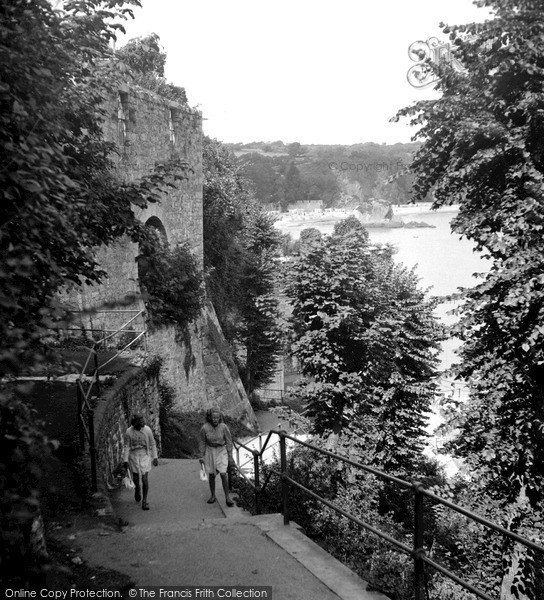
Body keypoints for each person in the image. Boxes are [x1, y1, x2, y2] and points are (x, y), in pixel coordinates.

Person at [199, 407, 234, 507]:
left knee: (223, 473)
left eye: (217, 417)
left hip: (221, 450)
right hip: (210, 450)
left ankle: (227, 497)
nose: (215, 420)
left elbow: (229, 441)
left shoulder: (223, 427)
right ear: (210, 418)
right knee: (211, 475)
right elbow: (202, 442)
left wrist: (230, 455)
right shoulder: (205, 428)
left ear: (220, 418)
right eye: (213, 417)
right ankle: (213, 495)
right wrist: (201, 455)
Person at [123, 414, 158, 510]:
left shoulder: (147, 430)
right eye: (137, 425)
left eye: (141, 425)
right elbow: (127, 446)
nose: (140, 427)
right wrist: (125, 460)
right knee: (135, 477)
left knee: (144, 478)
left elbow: (152, 443)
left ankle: (145, 501)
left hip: (145, 455)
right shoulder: (129, 432)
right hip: (133, 455)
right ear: (134, 425)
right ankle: (137, 489)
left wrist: (155, 457)